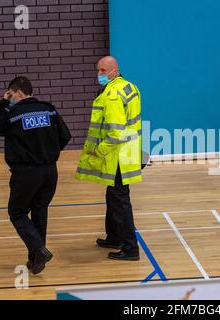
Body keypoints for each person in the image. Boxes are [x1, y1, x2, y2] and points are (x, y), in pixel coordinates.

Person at [0, 76, 72, 274]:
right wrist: (48, 153)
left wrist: (3, 102)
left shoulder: (14, 113)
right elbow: (65, 136)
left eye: (11, 94)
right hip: (50, 170)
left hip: (26, 172)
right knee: (40, 210)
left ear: (16, 93)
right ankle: (36, 260)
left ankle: (39, 250)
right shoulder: (48, 109)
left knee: (17, 213)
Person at [76, 56, 142, 261]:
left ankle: (130, 248)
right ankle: (114, 236)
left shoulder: (112, 95)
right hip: (128, 153)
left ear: (114, 71)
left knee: (120, 201)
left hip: (117, 156)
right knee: (113, 196)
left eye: (103, 71)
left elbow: (115, 132)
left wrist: (99, 150)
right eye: (98, 71)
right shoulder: (130, 87)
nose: (99, 75)